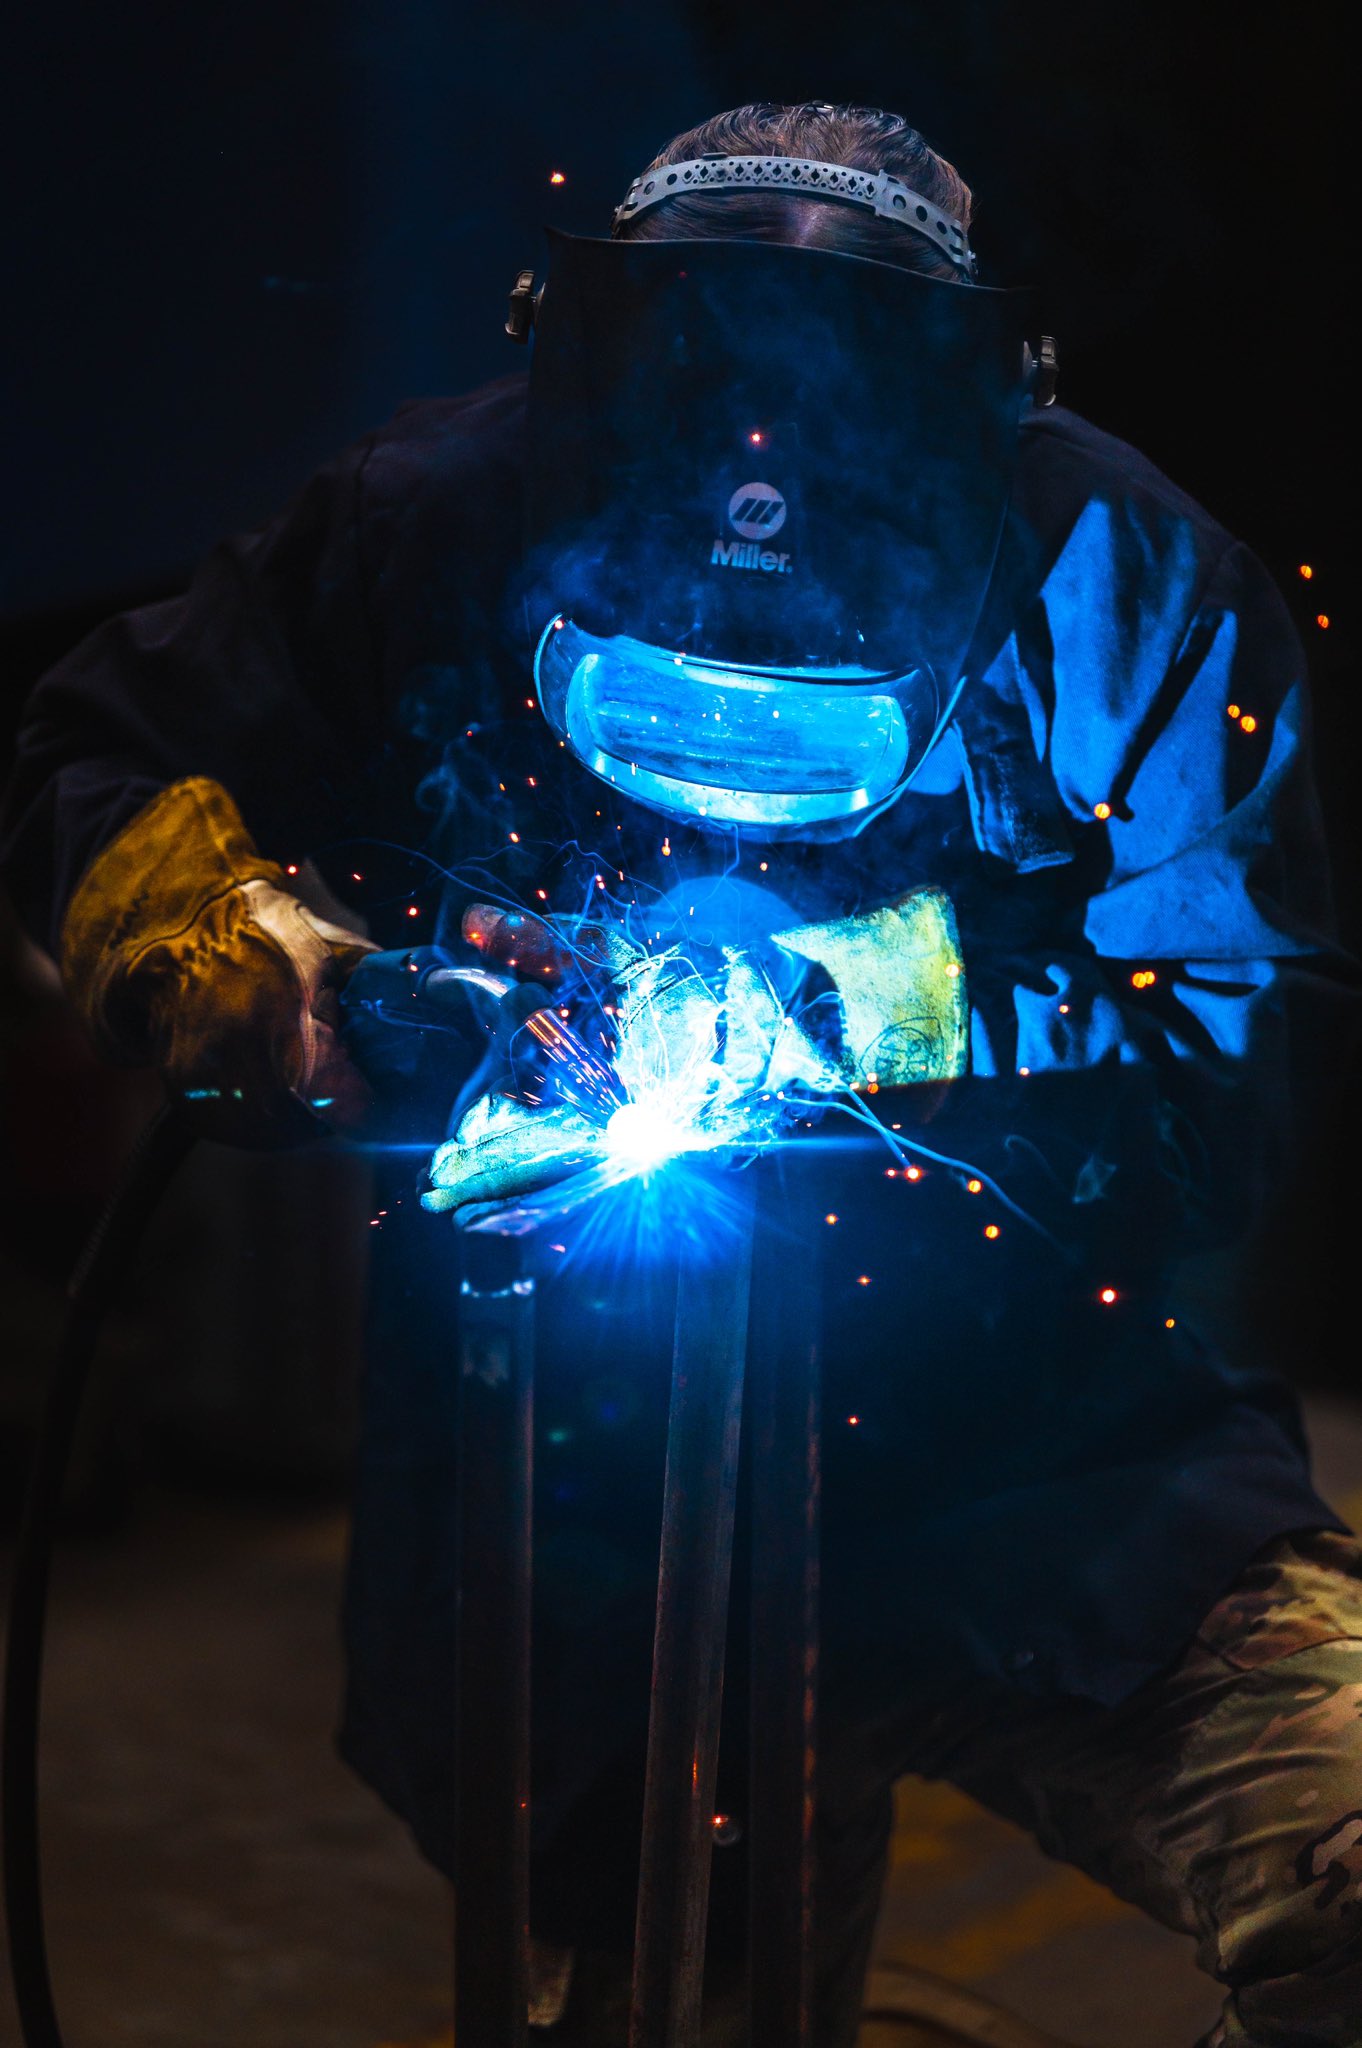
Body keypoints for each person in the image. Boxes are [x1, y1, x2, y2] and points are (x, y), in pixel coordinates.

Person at [3, 101, 1359, 2048]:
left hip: (1064, 1471)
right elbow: (93, 759)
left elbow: (1244, 1048)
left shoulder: (1122, 584)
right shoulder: (430, 519)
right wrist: (245, 946)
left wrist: (851, 996)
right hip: (579, 1524)